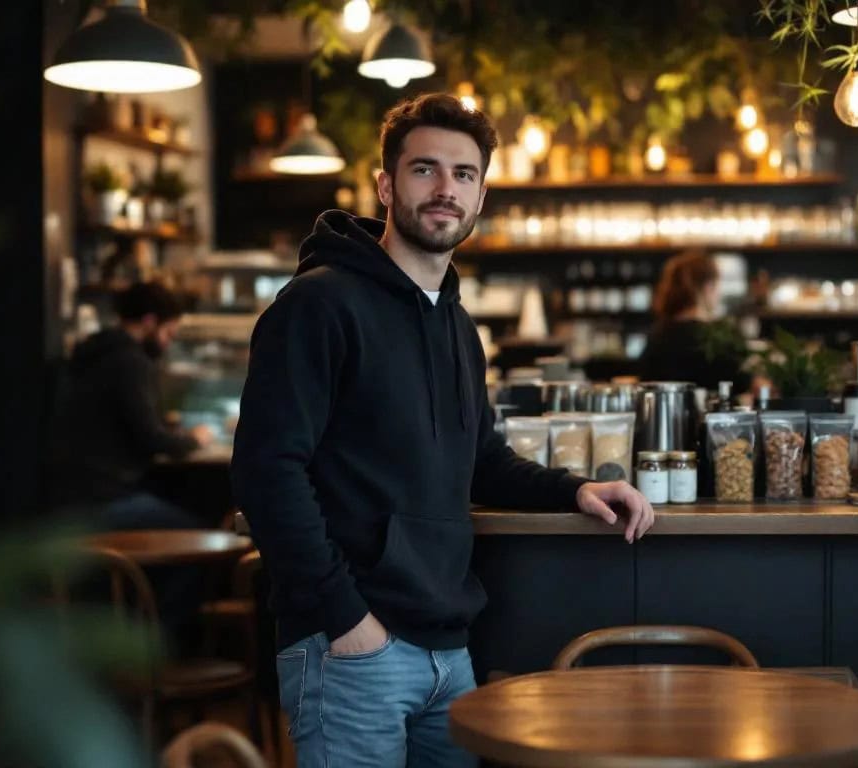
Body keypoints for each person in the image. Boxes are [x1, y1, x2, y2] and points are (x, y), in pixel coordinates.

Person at [230, 93, 654, 768]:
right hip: (352, 648)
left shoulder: (458, 324)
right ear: (385, 184)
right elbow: (265, 471)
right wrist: (345, 619)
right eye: (424, 169)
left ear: (481, 195)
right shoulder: (318, 303)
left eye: (463, 174)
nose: (444, 190)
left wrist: (577, 490)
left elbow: (479, 458)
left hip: (447, 650)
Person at [47, 282, 214, 650]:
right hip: (101, 500)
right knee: (199, 544)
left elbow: (127, 424)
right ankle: (156, 650)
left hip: (69, 495)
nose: (169, 342)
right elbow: (151, 439)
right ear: (151, 322)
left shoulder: (92, 353)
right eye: (169, 332)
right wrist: (194, 439)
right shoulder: (130, 361)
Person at [639, 249, 753, 393]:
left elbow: (645, 382)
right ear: (708, 287)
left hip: (665, 413)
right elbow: (742, 383)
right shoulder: (718, 337)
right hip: (714, 415)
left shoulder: (658, 334)